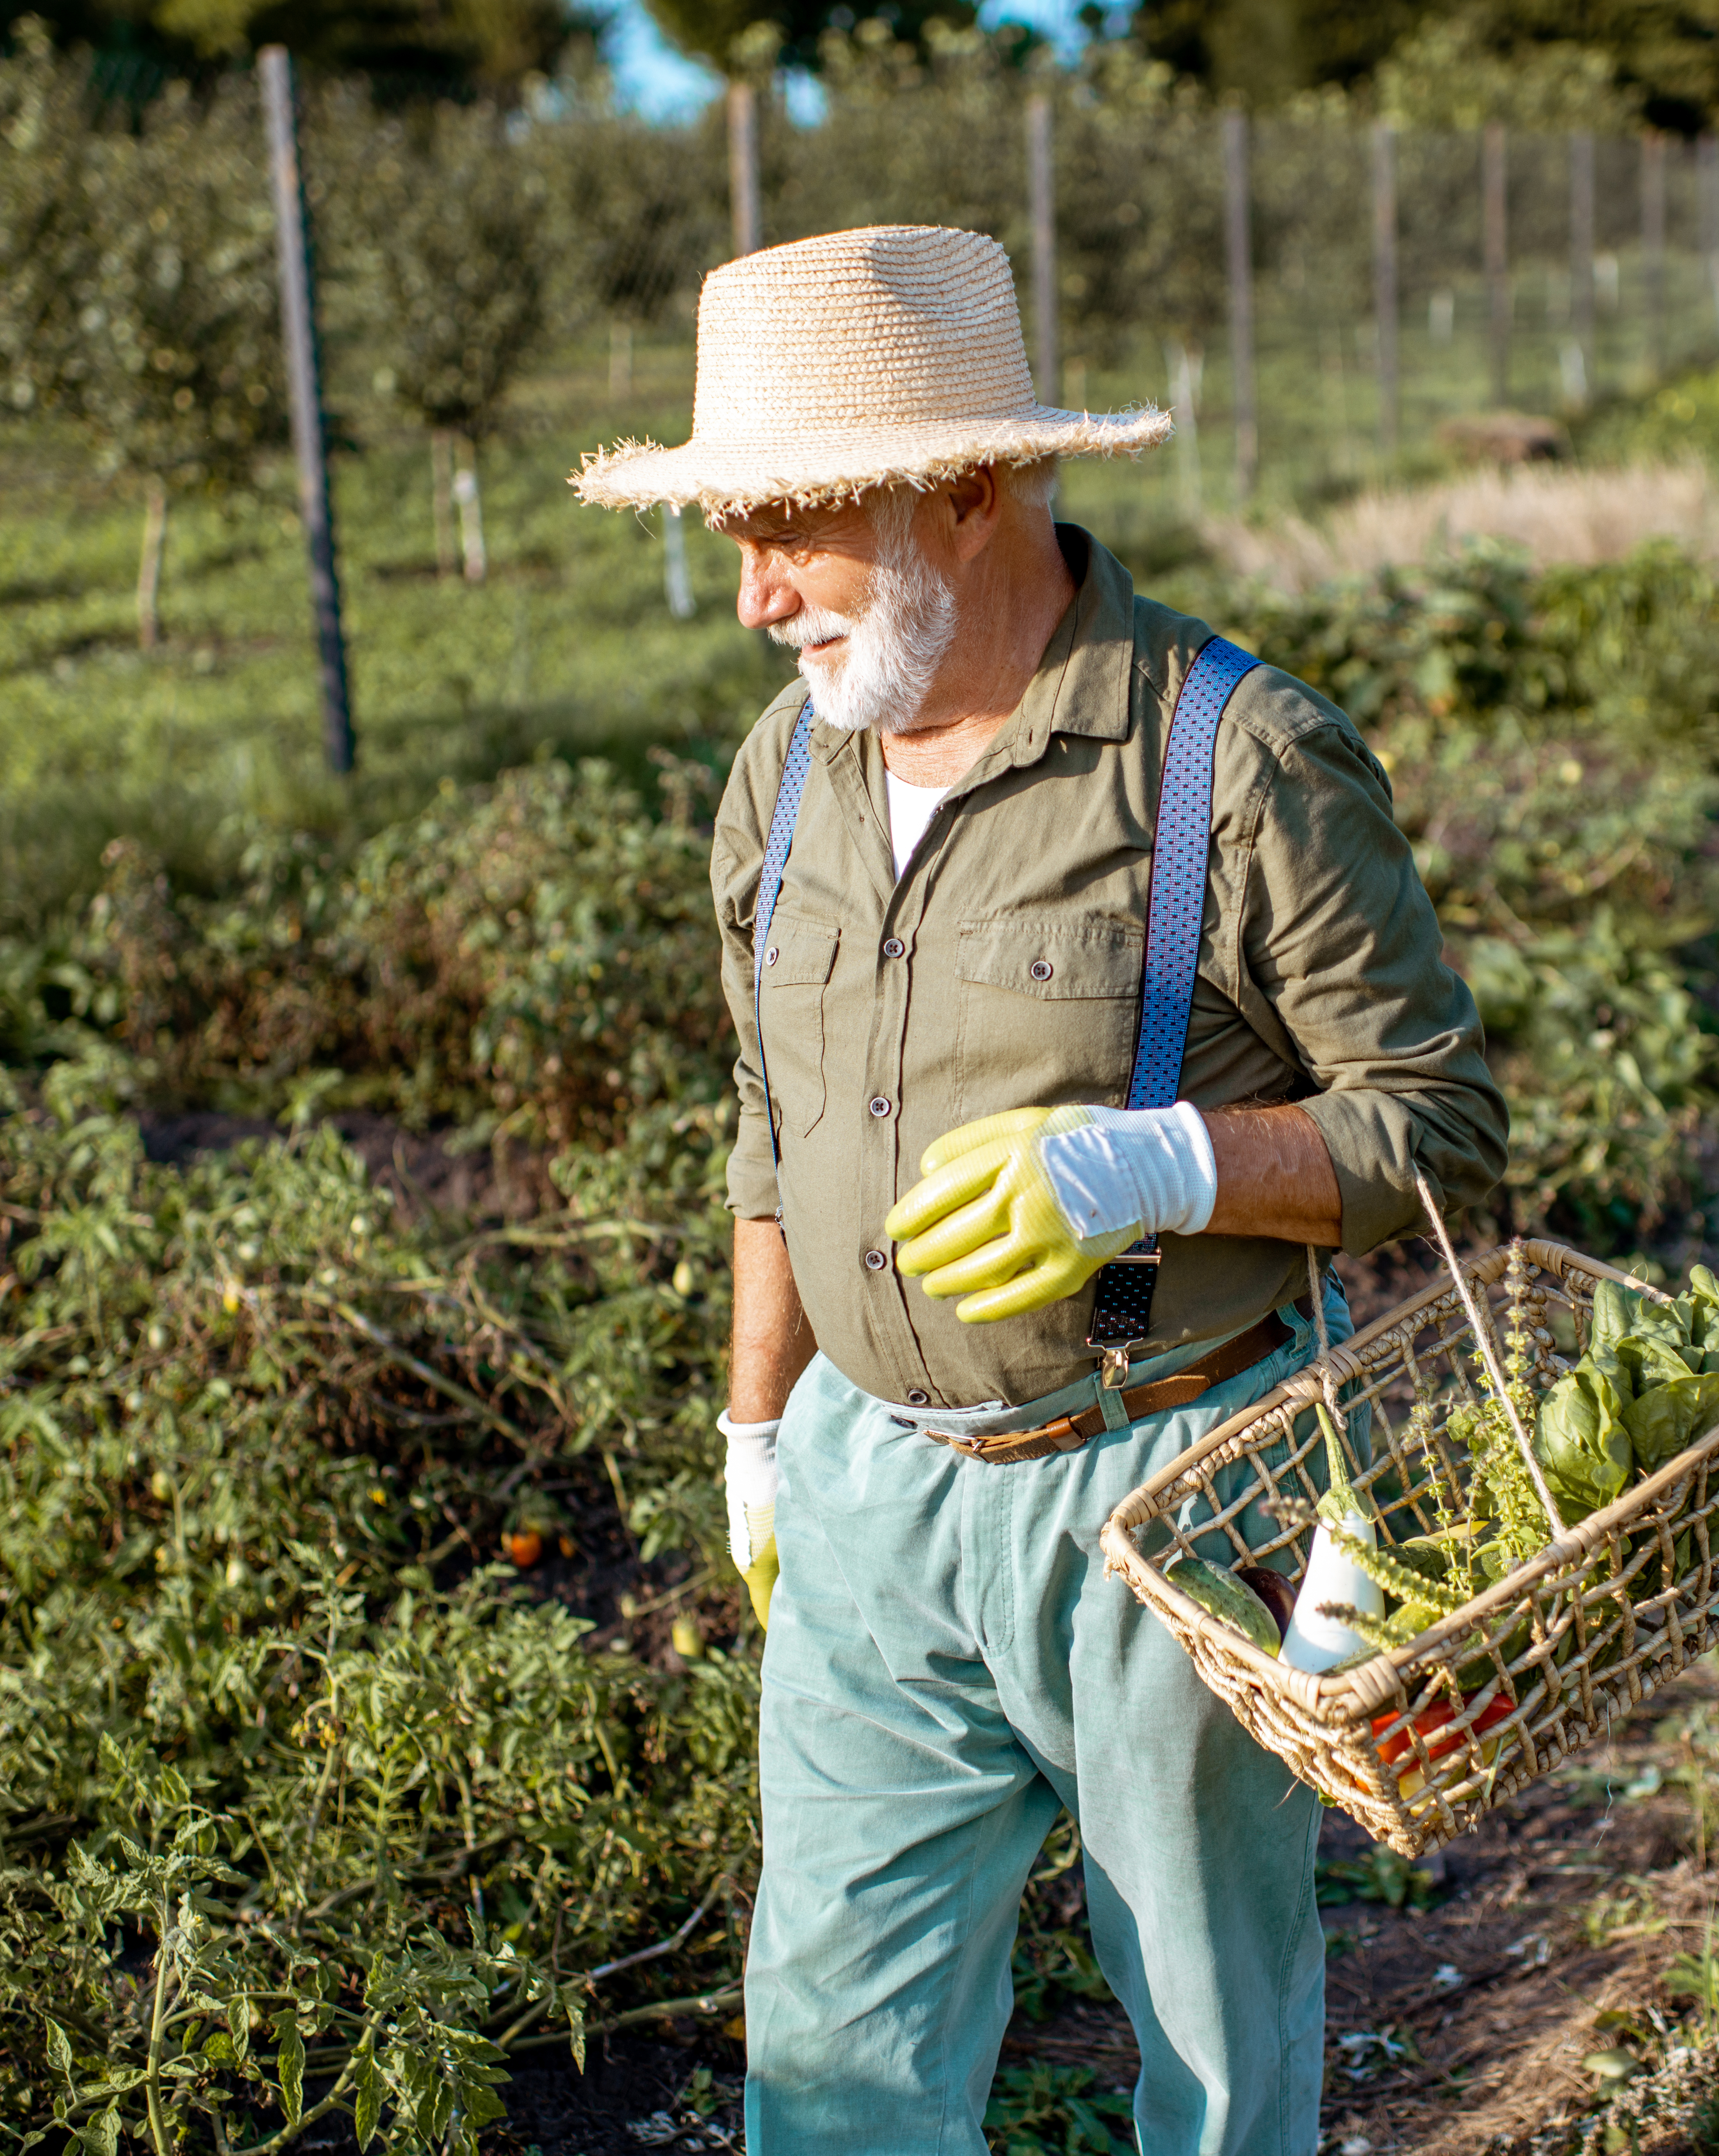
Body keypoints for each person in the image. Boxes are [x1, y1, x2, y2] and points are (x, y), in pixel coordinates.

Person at [574, 224, 1505, 2156]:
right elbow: (771, 1111)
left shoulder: (1231, 759)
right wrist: (760, 1428)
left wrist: (1151, 1161)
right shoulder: (787, 772)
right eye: (734, 536)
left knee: (1208, 2037)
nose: (752, 598)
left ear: (975, 484)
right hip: (863, 1492)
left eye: (791, 533)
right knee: (832, 2036)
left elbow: (1437, 1130)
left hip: (1162, 1489)